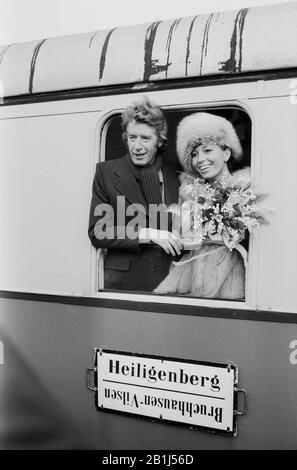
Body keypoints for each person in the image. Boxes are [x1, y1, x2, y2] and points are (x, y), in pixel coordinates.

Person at [88, 97, 181, 292]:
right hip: (123, 284)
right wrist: (148, 234)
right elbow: (98, 231)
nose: (137, 146)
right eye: (132, 137)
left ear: (159, 141)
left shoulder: (176, 173)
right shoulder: (106, 173)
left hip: (172, 279)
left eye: (145, 138)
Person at [154, 112, 250, 299]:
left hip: (232, 279)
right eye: (195, 154)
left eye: (207, 150)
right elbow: (179, 238)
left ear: (227, 153)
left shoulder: (246, 191)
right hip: (191, 276)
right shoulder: (190, 194)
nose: (200, 160)